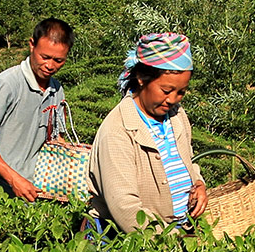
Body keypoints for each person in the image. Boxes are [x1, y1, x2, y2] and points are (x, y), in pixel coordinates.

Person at [87, 31, 208, 234]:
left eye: (181, 92)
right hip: (139, 243)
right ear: (142, 78)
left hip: (181, 231)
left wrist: (198, 183)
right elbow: (125, 208)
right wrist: (168, 242)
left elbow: (189, 161)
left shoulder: (177, 116)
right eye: (166, 90)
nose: (173, 99)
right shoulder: (117, 130)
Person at [0, 18, 73, 200]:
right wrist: (14, 180)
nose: (50, 66)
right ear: (32, 45)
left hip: (30, 194)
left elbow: (57, 140)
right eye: (45, 57)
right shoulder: (7, 84)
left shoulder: (57, 90)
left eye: (58, 60)